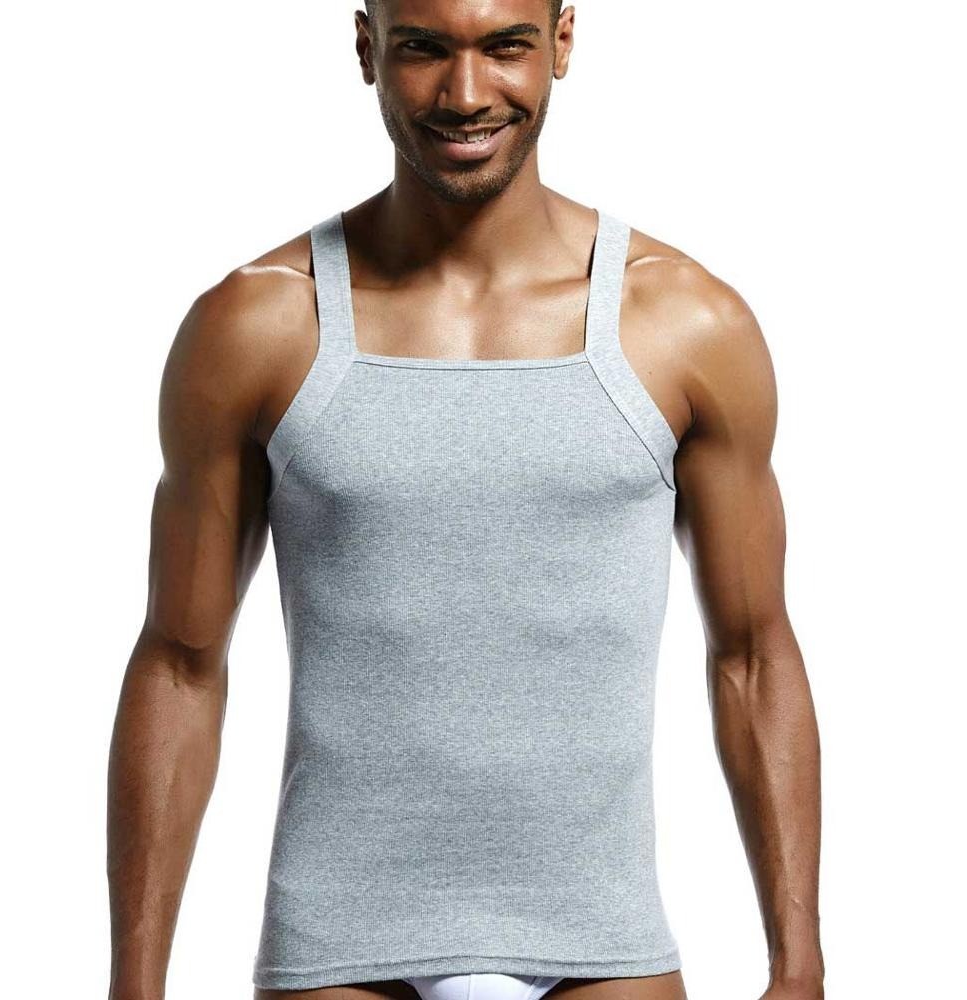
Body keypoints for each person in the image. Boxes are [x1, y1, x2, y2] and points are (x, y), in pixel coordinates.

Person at [106, 3, 825, 1000]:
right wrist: (133, 983)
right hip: (341, 947)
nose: (466, 93)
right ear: (367, 48)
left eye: (504, 46)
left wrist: (798, 961)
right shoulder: (258, 325)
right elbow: (181, 666)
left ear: (561, 43)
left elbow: (752, 652)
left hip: (602, 945)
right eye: (424, 49)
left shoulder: (685, 324)